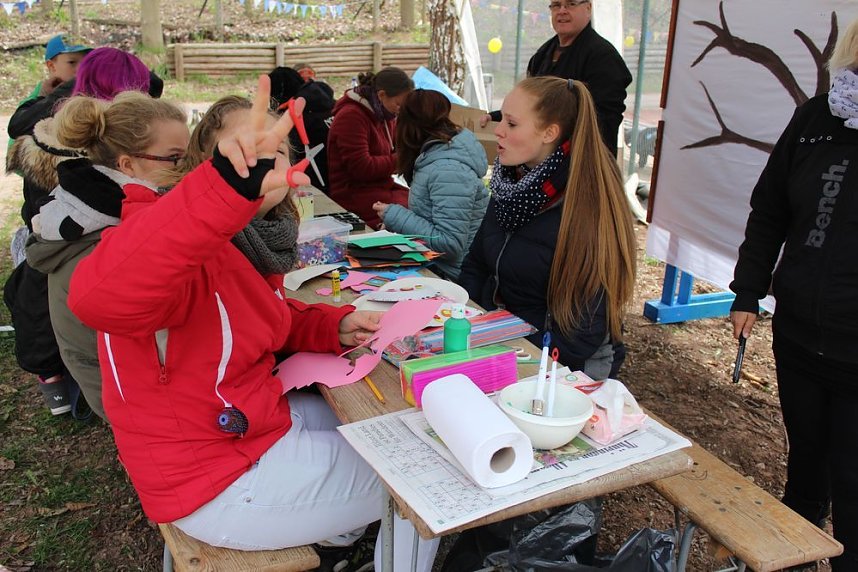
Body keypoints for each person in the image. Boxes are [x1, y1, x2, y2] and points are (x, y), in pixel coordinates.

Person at [65, 77, 439, 572]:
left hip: (240, 429)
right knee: (425, 476)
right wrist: (224, 191)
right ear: (208, 164)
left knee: (385, 427)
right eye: (247, 152)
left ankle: (337, 535)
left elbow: (256, 315)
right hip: (214, 478)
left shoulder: (242, 241)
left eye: (276, 151)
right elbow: (98, 299)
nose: (266, 164)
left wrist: (332, 326)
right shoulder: (168, 234)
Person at [729, 19, 858, 571]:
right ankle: (793, 554)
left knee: (852, 480)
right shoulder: (816, 117)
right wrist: (748, 290)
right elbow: (770, 209)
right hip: (799, 333)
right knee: (805, 460)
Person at [4, 46, 159, 417]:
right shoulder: (104, 155)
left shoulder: (43, 137)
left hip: (48, 270)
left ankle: (58, 385)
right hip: (93, 285)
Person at [24, 92, 190, 422]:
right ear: (127, 165)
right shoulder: (110, 239)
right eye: (175, 158)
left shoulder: (89, 210)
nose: (187, 168)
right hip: (141, 407)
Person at [460, 76, 636, 381]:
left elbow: (579, 337)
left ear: (549, 133)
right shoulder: (511, 185)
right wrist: (461, 322)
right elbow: (475, 267)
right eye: (502, 119)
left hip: (562, 369)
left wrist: (496, 345)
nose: (498, 130)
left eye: (512, 123)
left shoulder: (586, 207)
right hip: (504, 340)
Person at [161, 94, 301, 279]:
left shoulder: (281, 241)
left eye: (279, 150)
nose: (266, 159)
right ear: (203, 159)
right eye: (247, 145)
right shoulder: (181, 234)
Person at [483, 0, 631, 156]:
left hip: (582, 159)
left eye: (570, 4)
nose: (562, 11)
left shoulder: (604, 57)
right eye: (556, 5)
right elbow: (531, 105)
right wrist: (498, 117)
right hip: (542, 160)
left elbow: (603, 120)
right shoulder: (542, 54)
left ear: (588, 8)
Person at [371, 89, 489, 279]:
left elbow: (450, 244)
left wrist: (395, 216)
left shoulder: (448, 171)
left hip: (452, 275)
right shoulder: (434, 156)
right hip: (436, 264)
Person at [327, 67, 414, 228]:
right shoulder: (351, 117)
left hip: (379, 187)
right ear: (381, 95)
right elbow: (361, 167)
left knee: (422, 203)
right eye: (398, 104)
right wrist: (402, 159)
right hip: (353, 193)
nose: (399, 110)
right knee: (408, 215)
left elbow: (399, 145)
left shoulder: (385, 115)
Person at [269, 66, 334, 193]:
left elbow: (290, 155)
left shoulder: (291, 116)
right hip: (342, 177)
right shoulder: (328, 102)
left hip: (315, 184)